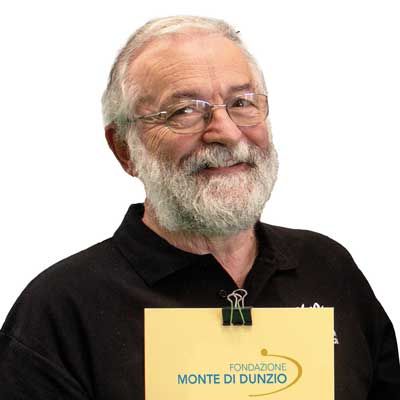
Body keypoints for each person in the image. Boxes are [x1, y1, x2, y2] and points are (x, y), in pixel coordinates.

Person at [0, 15, 399, 399]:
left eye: (241, 102)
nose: (226, 132)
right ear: (125, 149)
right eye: (184, 111)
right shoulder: (61, 310)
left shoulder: (329, 269)